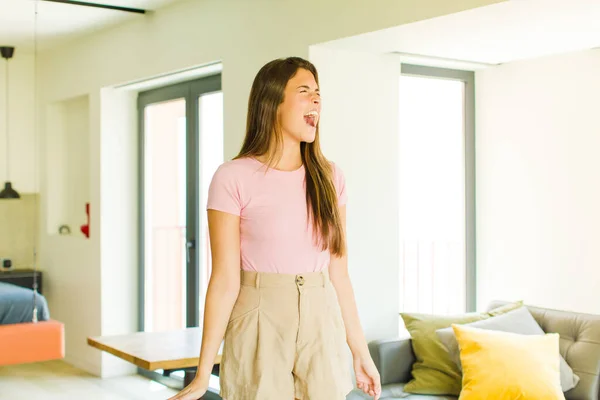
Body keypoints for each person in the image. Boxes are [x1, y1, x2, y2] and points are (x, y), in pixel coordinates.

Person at [169, 57, 381, 400]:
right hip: (258, 317)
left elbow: (339, 272)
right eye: (304, 91)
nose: (316, 100)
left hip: (321, 316)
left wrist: (361, 352)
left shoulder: (330, 176)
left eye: (318, 94)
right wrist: (201, 374)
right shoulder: (232, 177)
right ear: (272, 103)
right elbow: (224, 280)